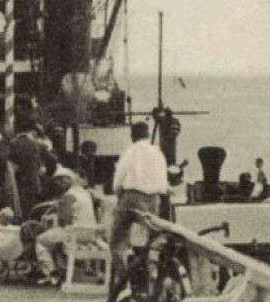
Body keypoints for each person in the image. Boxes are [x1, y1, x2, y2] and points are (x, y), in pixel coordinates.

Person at [109, 122, 169, 266]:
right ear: (147, 135)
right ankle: (152, 272)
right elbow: (163, 182)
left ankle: (123, 281)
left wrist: (119, 196)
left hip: (132, 197)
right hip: (154, 198)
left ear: (132, 136)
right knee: (154, 237)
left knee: (117, 240)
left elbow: (118, 182)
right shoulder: (158, 152)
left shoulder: (130, 151)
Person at [31, 169, 99, 286]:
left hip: (75, 234)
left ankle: (52, 273)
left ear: (66, 180)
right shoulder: (84, 193)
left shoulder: (69, 195)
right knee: (54, 238)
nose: (60, 185)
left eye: (60, 182)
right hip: (90, 233)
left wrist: (58, 209)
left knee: (40, 241)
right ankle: (61, 270)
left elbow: (63, 221)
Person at [7, 121, 56, 222]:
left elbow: (10, 161)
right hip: (35, 179)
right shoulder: (39, 145)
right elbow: (52, 160)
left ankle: (23, 220)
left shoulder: (14, 143)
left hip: (19, 179)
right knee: (35, 202)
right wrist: (47, 174)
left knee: (21, 202)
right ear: (33, 131)